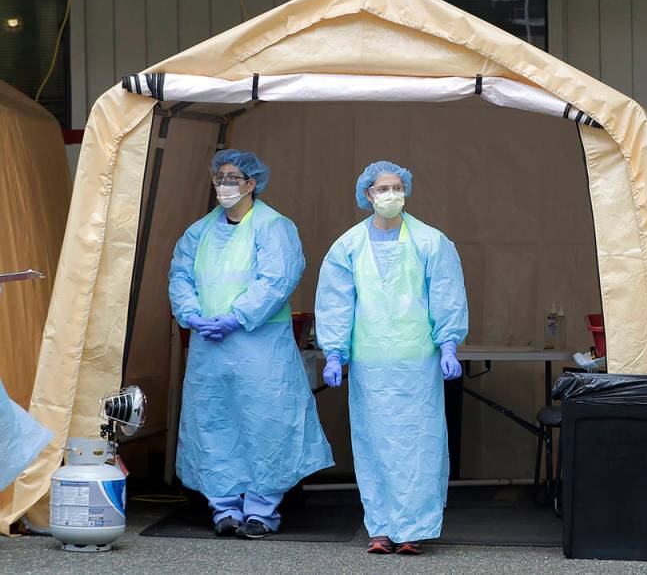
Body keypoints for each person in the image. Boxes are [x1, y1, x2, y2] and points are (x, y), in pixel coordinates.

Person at [169, 149, 333, 539]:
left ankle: (262, 509)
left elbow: (277, 280)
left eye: (233, 178)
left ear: (251, 183)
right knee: (213, 423)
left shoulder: (274, 227)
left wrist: (237, 317)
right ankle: (223, 507)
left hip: (261, 348)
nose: (225, 185)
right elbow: (180, 276)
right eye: (219, 178)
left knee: (267, 423)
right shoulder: (198, 232)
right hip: (210, 348)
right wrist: (192, 314)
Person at [316, 160, 468, 556]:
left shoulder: (431, 242)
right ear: (367, 194)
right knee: (374, 444)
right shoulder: (347, 247)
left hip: (417, 363)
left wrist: (449, 344)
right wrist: (334, 353)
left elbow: (447, 295)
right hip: (370, 365)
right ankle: (381, 527)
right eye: (382, 188)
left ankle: (413, 528)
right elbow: (335, 303)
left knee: (419, 445)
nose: (391, 195)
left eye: (397, 187)